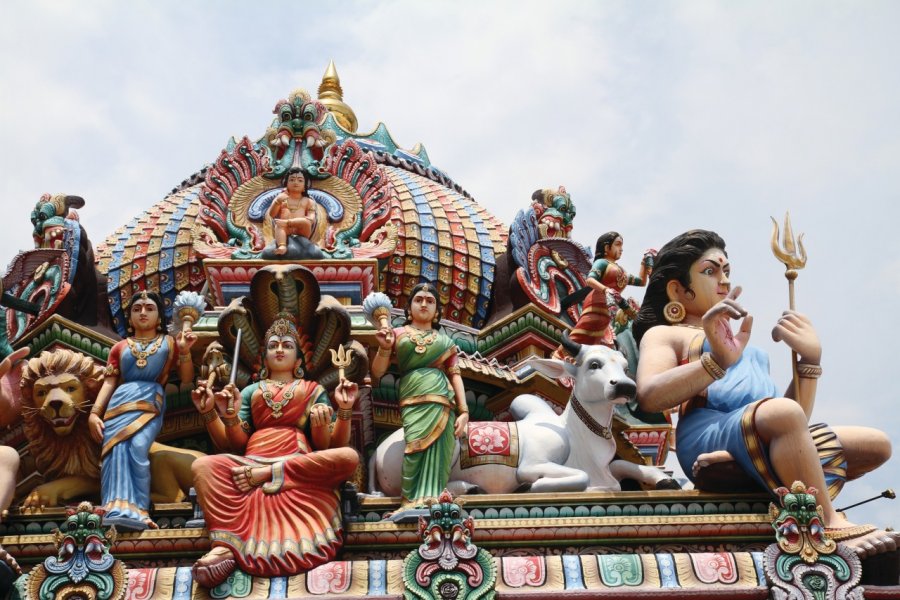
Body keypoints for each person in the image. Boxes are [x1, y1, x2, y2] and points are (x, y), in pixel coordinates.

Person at [633, 229, 896, 557]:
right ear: (678, 289)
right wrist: (714, 363)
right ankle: (828, 524)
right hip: (708, 431)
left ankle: (743, 468)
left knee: (874, 445)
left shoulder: (748, 349)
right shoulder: (666, 334)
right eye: (710, 271)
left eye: (727, 271)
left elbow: (794, 418)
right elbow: (650, 395)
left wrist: (809, 361)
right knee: (780, 415)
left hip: (758, 429)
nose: (724, 281)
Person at [190, 313, 359, 587]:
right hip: (251, 460)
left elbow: (330, 446)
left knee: (348, 457)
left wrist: (343, 410)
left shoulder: (312, 389)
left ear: (300, 359)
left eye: (287, 345)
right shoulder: (250, 391)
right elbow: (234, 444)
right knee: (203, 466)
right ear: (264, 356)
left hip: (296, 462)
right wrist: (215, 413)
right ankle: (226, 545)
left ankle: (270, 473)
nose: (279, 349)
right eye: (273, 345)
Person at [88, 290, 196, 532]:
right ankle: (114, 506)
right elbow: (109, 382)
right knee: (114, 453)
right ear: (130, 318)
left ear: (159, 317)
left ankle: (139, 509)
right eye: (137, 309)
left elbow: (187, 378)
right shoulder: (120, 347)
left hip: (150, 399)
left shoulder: (168, 343)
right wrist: (94, 413)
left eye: (149, 308)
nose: (143, 313)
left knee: (138, 447)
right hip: (119, 403)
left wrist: (185, 350)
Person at [371, 283, 468, 514]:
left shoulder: (445, 342)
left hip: (443, 402)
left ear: (437, 313)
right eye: (418, 299)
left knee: (440, 452)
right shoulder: (397, 334)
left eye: (430, 301)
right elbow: (377, 372)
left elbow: (455, 375)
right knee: (414, 447)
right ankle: (411, 501)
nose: (424, 304)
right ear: (408, 308)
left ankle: (435, 499)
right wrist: (384, 348)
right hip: (413, 399)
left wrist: (464, 412)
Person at [569, 232, 652, 348]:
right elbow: (590, 280)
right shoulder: (602, 263)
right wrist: (606, 290)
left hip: (608, 310)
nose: (621, 249)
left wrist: (644, 261)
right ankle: (560, 356)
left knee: (596, 341)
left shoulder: (621, 271)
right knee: (581, 334)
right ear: (607, 247)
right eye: (618, 244)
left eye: (621, 246)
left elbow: (642, 282)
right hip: (595, 303)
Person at [268, 167, 319, 255]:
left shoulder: (308, 201)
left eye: (300, 180)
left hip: (301, 229)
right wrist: (277, 202)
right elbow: (272, 214)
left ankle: (288, 226)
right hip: (285, 229)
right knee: (279, 225)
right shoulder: (281, 198)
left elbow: (311, 220)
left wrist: (289, 222)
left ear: (305, 186)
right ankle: (282, 246)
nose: (295, 182)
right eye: (292, 180)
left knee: (305, 222)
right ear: (286, 184)